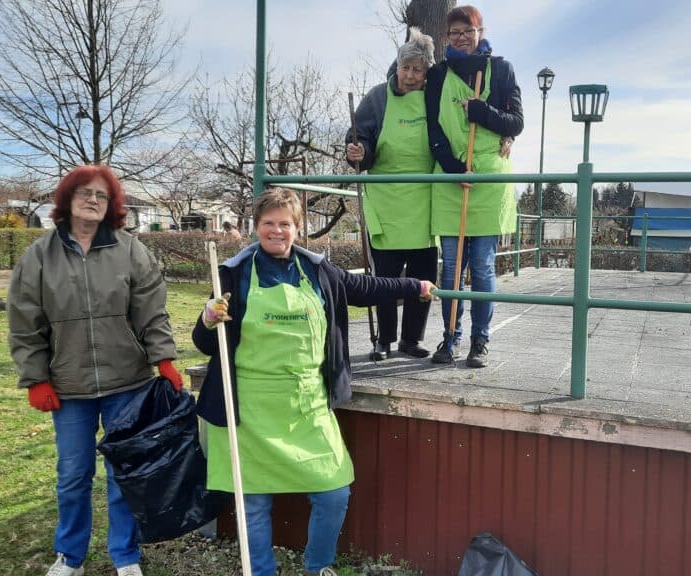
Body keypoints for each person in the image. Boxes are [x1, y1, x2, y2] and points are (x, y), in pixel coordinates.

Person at [192, 188, 435, 576]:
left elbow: (366, 289)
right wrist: (207, 318)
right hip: (248, 408)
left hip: (307, 403)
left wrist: (414, 286)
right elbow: (206, 343)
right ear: (256, 227)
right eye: (268, 223)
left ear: (297, 228)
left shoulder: (317, 270)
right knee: (254, 504)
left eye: (284, 223)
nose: (276, 230)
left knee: (334, 492)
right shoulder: (232, 273)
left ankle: (318, 566)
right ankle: (261, 571)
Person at [7, 164, 183, 576]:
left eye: (102, 195)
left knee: (123, 472)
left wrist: (165, 358)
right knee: (73, 474)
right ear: (67, 199)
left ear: (112, 205)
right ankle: (70, 556)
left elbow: (151, 312)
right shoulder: (39, 255)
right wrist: (36, 378)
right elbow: (24, 322)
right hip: (69, 387)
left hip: (128, 382)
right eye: (85, 193)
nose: (93, 200)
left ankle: (126, 556)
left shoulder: (129, 250)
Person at [425, 5, 523, 368]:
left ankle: (480, 340)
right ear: (447, 37)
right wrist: (452, 167)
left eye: (468, 30)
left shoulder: (502, 70)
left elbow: (517, 121)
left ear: (480, 31)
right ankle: (450, 338)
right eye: (454, 32)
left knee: (482, 269)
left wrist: (480, 112)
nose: (462, 37)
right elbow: (433, 130)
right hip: (451, 178)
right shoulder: (437, 75)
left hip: (489, 180)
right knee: (450, 269)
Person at [345, 28, 438, 361]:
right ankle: (383, 340)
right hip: (385, 199)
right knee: (384, 277)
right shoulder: (377, 97)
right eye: (406, 68)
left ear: (426, 72)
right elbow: (361, 138)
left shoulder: (433, 97)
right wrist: (358, 152)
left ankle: (411, 340)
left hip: (425, 198)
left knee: (423, 276)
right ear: (397, 66)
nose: (410, 76)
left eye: (418, 70)